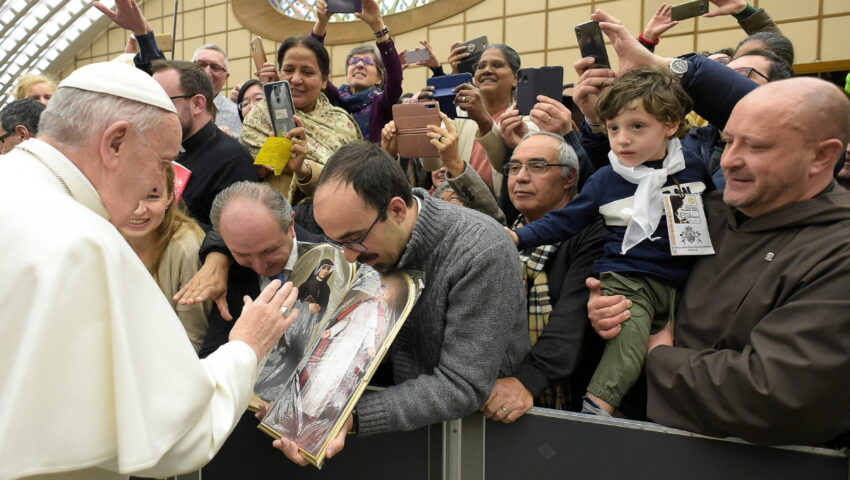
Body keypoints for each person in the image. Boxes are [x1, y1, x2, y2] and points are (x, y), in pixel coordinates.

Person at [0, 61, 298, 480]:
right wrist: (246, 346)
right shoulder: (87, 242)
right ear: (115, 142)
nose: (165, 183)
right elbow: (179, 433)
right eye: (162, 162)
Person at [588, 18, 850, 446]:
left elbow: (776, 394)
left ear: (821, 158)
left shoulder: (837, 251)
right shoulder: (702, 207)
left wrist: (658, 357)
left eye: (757, 146)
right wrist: (619, 305)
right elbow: (641, 277)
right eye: (728, 142)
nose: (729, 162)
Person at [273, 141, 529, 465]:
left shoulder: (480, 252)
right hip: (401, 439)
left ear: (396, 209)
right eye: (337, 242)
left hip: (473, 446)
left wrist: (351, 419)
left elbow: (461, 384)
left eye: (353, 239)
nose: (349, 256)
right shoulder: (365, 241)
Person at [510, 66, 713, 416]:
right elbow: (565, 221)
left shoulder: (691, 168)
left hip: (681, 283)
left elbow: (715, 217)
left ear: (670, 124)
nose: (622, 140)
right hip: (627, 278)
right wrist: (518, 236)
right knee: (628, 346)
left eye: (637, 126)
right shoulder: (606, 178)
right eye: (613, 128)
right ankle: (597, 407)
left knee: (669, 356)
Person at [480, 131, 607, 422]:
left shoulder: (592, 232)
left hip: (565, 406)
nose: (521, 177)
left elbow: (571, 321)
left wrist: (526, 381)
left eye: (537, 166)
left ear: (568, 179)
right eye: (514, 167)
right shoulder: (506, 230)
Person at [242, 35, 361, 201]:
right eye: (288, 70)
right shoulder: (260, 116)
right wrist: (269, 160)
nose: (296, 79)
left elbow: (351, 181)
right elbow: (240, 176)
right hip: (264, 214)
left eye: (307, 72)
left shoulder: (341, 123)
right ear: (279, 72)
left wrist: (304, 170)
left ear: (324, 80)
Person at [150, 59, 258, 231]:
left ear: (197, 104)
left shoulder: (233, 160)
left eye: (163, 101)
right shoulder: (163, 154)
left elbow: (234, 236)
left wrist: (165, 218)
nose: (153, 112)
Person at [119, 164, 209, 353]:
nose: (138, 209)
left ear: (170, 197)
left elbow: (193, 340)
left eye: (152, 196)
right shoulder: (102, 232)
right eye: (127, 192)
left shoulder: (185, 248)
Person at [308, 0, 403, 143]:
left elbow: (395, 77)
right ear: (347, 74)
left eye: (368, 62)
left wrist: (378, 25)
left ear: (379, 78)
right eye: (353, 61)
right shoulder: (334, 98)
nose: (359, 65)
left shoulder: (382, 102)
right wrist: (322, 21)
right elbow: (313, 61)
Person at [192, 44, 243, 136]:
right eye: (201, 65)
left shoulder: (239, 114)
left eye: (215, 67)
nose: (207, 72)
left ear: (226, 77)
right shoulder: (174, 106)